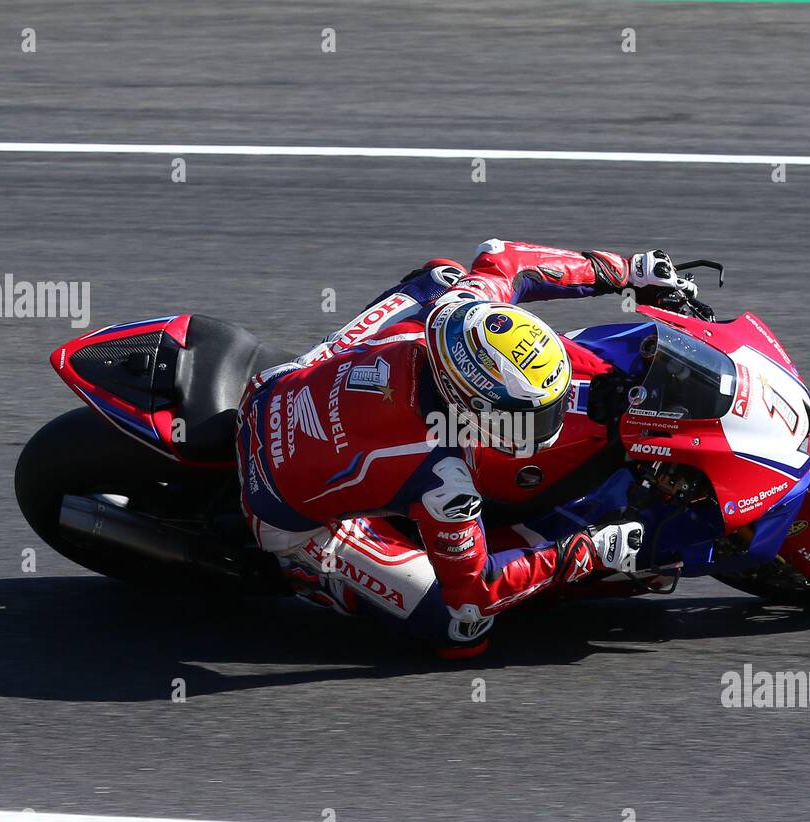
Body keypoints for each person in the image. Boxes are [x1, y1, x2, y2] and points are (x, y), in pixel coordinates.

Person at [235, 240, 697, 657]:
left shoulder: (460, 310)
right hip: (278, 507)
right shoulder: (445, 481)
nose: (548, 424)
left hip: (274, 387)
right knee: (461, 628)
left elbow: (508, 262)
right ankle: (311, 575)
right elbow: (475, 591)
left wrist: (629, 272)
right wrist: (587, 551)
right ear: (472, 405)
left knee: (440, 278)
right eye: (532, 416)